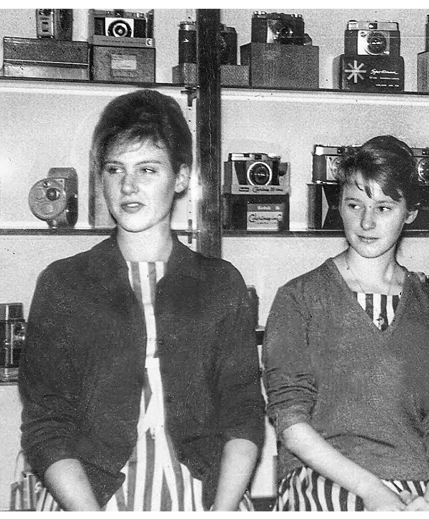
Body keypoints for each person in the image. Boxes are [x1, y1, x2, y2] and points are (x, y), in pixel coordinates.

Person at [18, 89, 264, 511]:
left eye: (147, 169)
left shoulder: (220, 284)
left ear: (181, 177)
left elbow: (243, 413)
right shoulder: (64, 284)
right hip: (86, 498)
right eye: (115, 169)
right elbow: (46, 424)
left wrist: (223, 512)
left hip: (207, 496)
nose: (128, 186)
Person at [263, 135, 429, 511]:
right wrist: (372, 491)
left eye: (384, 207)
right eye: (354, 204)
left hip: (419, 490)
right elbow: (290, 421)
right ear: (338, 205)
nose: (366, 221)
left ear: (410, 212)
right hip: (323, 483)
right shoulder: (299, 298)